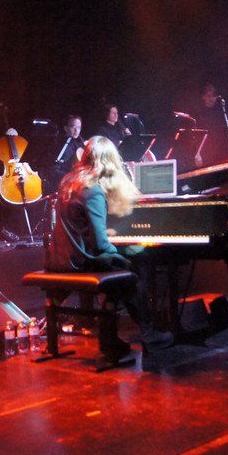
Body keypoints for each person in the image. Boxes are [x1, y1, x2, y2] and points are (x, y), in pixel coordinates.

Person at [46, 136, 174, 362]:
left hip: (61, 258)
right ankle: (149, 334)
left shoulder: (69, 181)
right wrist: (129, 247)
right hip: (82, 261)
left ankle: (110, 339)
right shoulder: (93, 189)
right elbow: (100, 244)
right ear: (110, 160)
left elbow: (81, 226)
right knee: (131, 268)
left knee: (122, 264)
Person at [194, 81, 228, 167]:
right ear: (203, 97)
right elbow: (196, 138)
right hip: (207, 155)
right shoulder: (198, 115)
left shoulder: (222, 112)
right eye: (208, 96)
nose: (211, 99)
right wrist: (197, 154)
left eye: (214, 96)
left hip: (223, 152)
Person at [47, 114, 85, 193]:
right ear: (66, 128)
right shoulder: (61, 143)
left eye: (79, 128)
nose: (76, 130)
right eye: (73, 127)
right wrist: (72, 178)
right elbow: (54, 168)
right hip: (64, 182)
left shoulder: (80, 142)